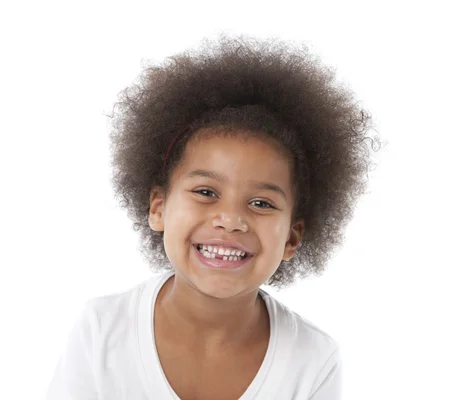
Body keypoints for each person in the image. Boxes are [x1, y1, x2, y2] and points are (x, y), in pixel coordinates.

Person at [47, 34, 378, 400]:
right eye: (206, 193)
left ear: (292, 239)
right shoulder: (101, 330)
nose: (231, 219)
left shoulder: (313, 361)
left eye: (261, 203)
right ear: (158, 207)